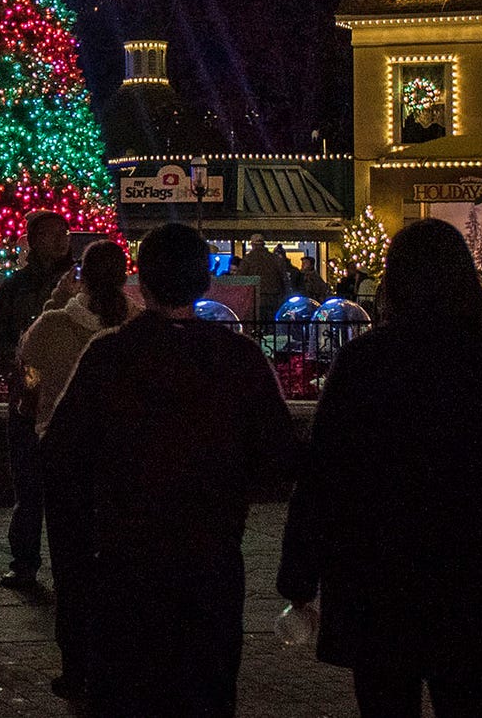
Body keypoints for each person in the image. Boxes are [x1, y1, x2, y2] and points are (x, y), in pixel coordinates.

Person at [278, 218, 482, 718]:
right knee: (468, 701)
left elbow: (324, 478)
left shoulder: (362, 363)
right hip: (468, 567)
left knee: (384, 700)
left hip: (377, 570)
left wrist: (299, 578)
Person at [42, 222, 290, 718]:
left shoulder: (110, 355)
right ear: (204, 282)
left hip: (126, 562)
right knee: (206, 693)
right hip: (210, 561)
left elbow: (61, 454)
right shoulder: (237, 358)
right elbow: (280, 456)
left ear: (144, 281)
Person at [18, 237, 130, 696]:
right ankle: (118, 654)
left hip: (64, 457)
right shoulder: (135, 327)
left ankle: (76, 662)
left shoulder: (52, 326)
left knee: (70, 562)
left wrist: (35, 405)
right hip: (122, 462)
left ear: (80, 276)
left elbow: (28, 376)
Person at [0, 212, 72, 595]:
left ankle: (69, 563)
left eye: (64, 233)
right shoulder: (17, 285)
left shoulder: (78, 284)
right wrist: (17, 367)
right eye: (52, 234)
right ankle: (25, 562)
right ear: (34, 240)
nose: (61, 240)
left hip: (68, 395)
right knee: (29, 485)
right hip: (29, 395)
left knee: (67, 490)